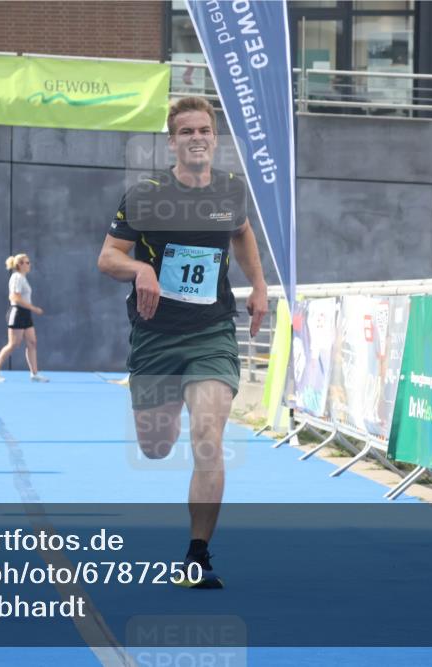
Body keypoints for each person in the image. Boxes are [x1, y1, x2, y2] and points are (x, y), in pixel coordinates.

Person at [97, 96, 268, 589]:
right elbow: (108, 258)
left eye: (204, 130)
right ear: (172, 142)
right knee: (155, 446)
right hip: (155, 336)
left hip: (211, 332)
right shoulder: (146, 194)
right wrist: (141, 268)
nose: (197, 138)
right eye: (187, 132)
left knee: (208, 440)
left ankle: (197, 556)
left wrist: (257, 286)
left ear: (215, 138)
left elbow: (242, 233)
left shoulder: (231, 190)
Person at [0, 253, 49, 383]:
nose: (29, 264)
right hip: (18, 313)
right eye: (26, 262)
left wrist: (30, 309)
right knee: (14, 344)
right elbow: (14, 297)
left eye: (29, 262)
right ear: (19, 265)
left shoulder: (23, 278)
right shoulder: (16, 277)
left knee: (32, 342)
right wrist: (34, 308)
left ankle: (34, 374)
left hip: (25, 314)